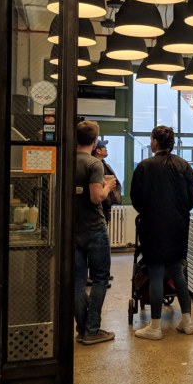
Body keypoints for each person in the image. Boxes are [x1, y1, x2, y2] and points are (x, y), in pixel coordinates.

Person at [130, 125, 193, 340]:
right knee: (177, 272)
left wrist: (149, 210)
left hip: (153, 226)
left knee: (157, 273)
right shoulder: (184, 165)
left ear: (154, 142)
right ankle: (187, 322)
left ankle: (155, 327)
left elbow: (136, 199)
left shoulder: (144, 166)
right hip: (178, 226)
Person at [74, 120, 118, 345]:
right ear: (94, 140)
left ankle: (82, 329)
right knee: (101, 278)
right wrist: (108, 186)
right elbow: (96, 197)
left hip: (73, 228)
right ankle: (92, 329)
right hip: (94, 229)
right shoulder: (94, 164)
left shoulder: (67, 160)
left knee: (77, 281)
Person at [91, 139, 122, 224]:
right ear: (98, 150)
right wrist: (108, 185)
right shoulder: (94, 166)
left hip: (105, 207)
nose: (106, 148)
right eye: (104, 146)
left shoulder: (104, 165)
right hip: (98, 207)